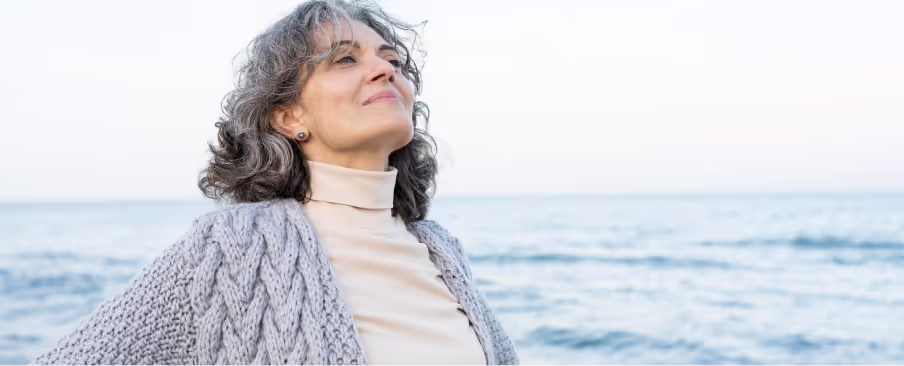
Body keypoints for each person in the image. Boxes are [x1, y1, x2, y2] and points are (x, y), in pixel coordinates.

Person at [27, 0, 519, 365]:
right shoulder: (232, 248)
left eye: (392, 59)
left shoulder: (440, 250)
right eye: (345, 59)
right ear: (288, 116)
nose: (384, 69)